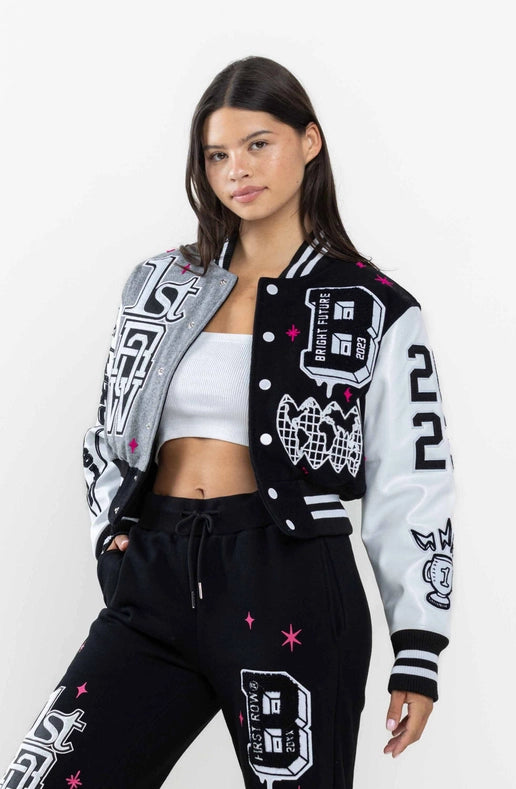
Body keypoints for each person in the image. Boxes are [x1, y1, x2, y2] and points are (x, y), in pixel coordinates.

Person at [1, 55, 455, 789]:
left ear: (310, 141)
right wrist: (112, 542)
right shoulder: (160, 284)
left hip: (290, 579)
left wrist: (419, 650)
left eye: (257, 144)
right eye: (216, 155)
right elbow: (109, 434)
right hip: (154, 575)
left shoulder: (374, 306)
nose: (236, 169)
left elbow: (412, 477)